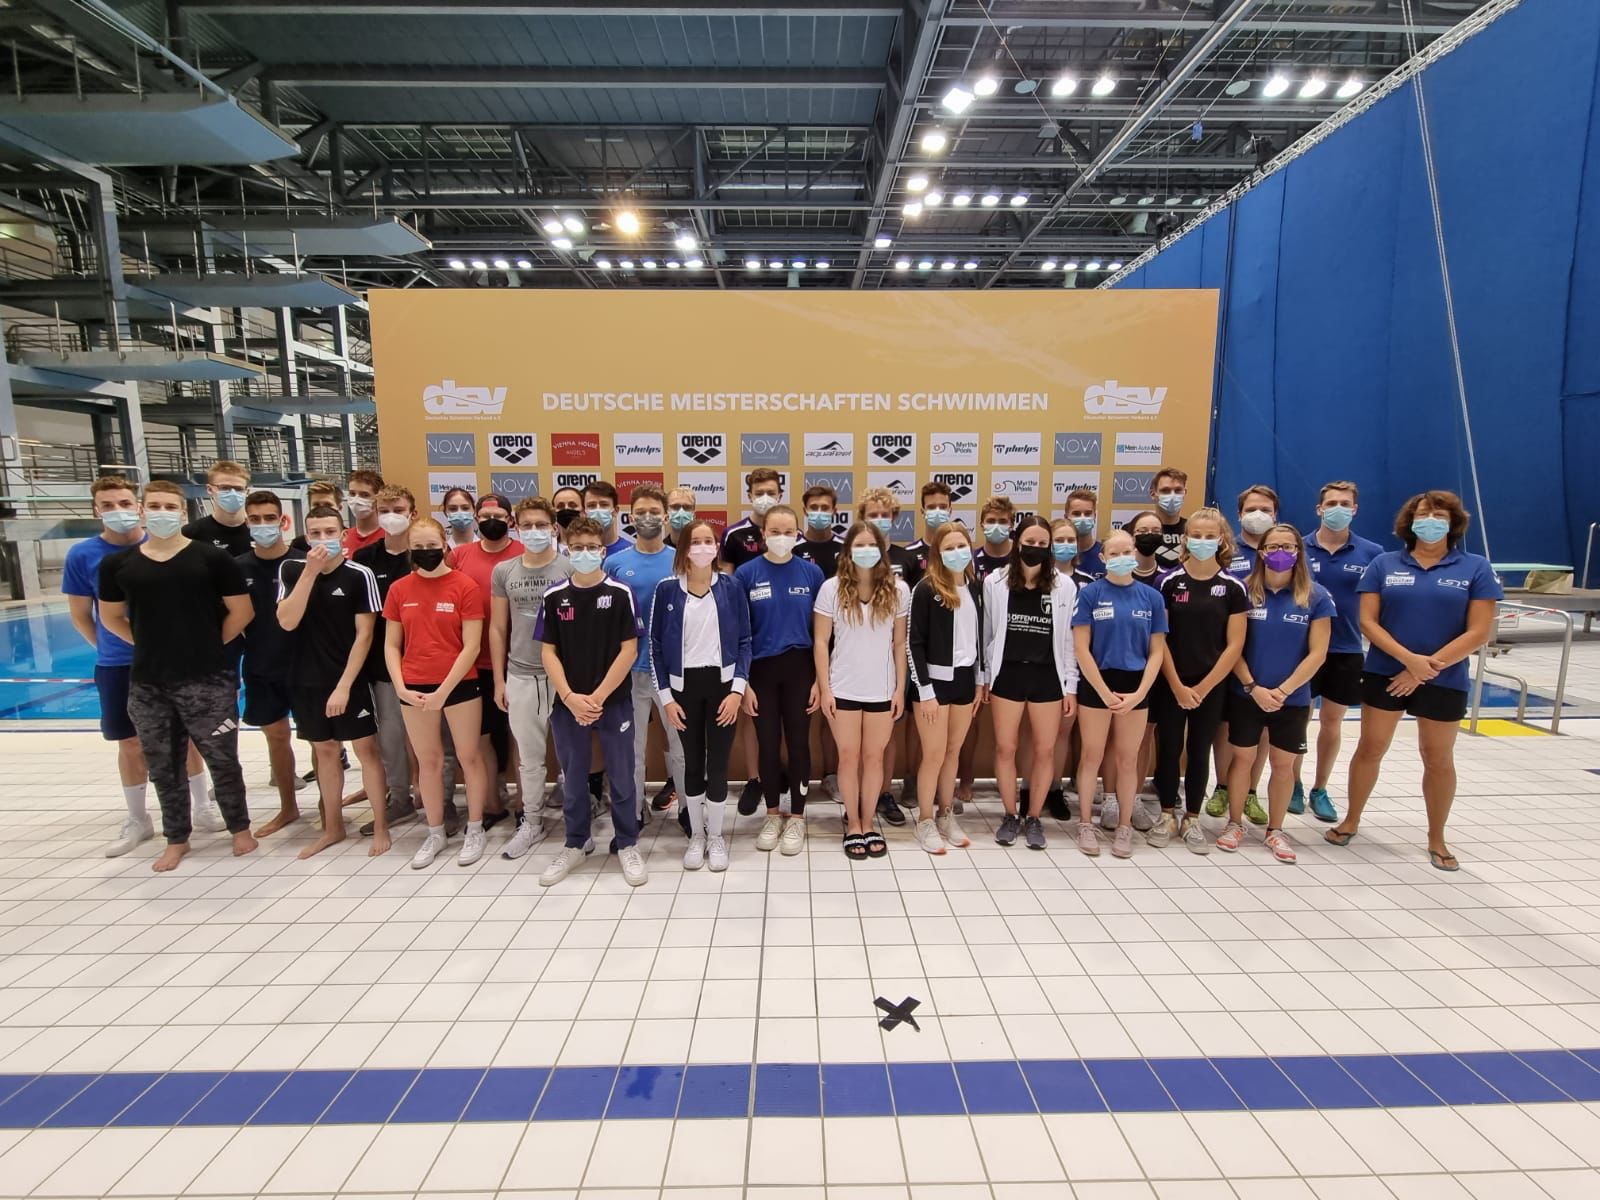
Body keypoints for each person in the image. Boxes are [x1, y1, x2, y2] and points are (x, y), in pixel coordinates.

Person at [1326, 491, 1501, 871]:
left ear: (1453, 522)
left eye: (1439, 515)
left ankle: (1437, 836)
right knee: (1371, 747)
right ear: (1410, 520)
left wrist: (1426, 668)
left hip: (1445, 676)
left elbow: (1479, 631)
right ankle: (1351, 819)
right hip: (1386, 672)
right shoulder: (1385, 564)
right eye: (1424, 514)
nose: (1431, 521)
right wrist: (1408, 661)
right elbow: (1368, 622)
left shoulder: (1474, 567)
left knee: (1437, 757)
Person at [97, 480, 255, 872]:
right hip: (149, 681)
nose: (162, 513)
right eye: (154, 506)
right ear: (142, 510)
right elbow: (111, 616)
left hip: (208, 679)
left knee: (222, 758)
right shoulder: (119, 565)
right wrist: (147, 643)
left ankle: (239, 828)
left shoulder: (211, 559)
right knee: (163, 764)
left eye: (170, 507)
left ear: (183, 513)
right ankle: (177, 838)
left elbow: (242, 611)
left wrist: (208, 645)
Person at [535, 518, 648, 887]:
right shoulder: (554, 596)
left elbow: (629, 650)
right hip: (568, 704)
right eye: (577, 547)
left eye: (591, 547)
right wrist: (570, 697)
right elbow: (548, 652)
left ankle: (627, 842)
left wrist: (597, 697)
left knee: (622, 775)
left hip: (612, 702)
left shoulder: (620, 593)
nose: (584, 553)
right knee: (573, 778)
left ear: (602, 551)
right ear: (568, 550)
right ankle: (576, 842)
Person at [276, 505, 388, 858]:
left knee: (366, 751)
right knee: (324, 752)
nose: (323, 539)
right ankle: (333, 827)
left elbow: (365, 636)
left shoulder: (359, 575)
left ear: (343, 534)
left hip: (349, 680)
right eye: (315, 533)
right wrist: (310, 573)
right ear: (306, 536)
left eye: (329, 532)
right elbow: (287, 621)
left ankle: (381, 825)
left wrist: (344, 685)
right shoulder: (292, 570)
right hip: (306, 680)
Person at [1216, 524, 1333, 864]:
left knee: (1284, 765)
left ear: (1298, 551)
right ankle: (1234, 823)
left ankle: (1276, 830)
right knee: (1242, 759)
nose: (1280, 552)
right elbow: (1233, 647)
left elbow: (1317, 654)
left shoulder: (1315, 596)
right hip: (1247, 694)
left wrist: (1282, 691)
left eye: (1288, 546)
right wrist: (1253, 687)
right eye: (1273, 546)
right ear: (1261, 552)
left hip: (1291, 699)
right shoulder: (1244, 591)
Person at [381, 517, 492, 869]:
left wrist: (444, 691)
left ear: (444, 546)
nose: (426, 552)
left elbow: (472, 646)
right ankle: (435, 832)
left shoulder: (464, 586)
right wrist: (401, 686)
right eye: (419, 547)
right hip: (413, 686)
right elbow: (391, 645)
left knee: (468, 756)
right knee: (427, 761)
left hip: (459, 685)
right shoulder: (399, 589)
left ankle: (475, 828)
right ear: (409, 549)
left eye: (432, 546)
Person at [64, 476, 159, 856]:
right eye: (108, 505)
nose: (118, 511)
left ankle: (200, 806)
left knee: (184, 740)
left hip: (170, 661)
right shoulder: (83, 555)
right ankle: (138, 818)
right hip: (118, 663)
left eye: (124, 503)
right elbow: (81, 616)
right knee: (130, 741)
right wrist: (111, 645)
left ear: (138, 507)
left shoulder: (164, 546)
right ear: (96, 510)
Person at [651, 519, 752, 871]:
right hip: (683, 690)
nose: (703, 547)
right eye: (695, 541)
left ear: (717, 547)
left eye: (709, 541)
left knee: (718, 764)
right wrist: (666, 698)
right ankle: (697, 835)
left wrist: (737, 690)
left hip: (723, 688)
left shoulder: (732, 587)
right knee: (692, 764)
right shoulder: (667, 589)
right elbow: (656, 646)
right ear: (684, 548)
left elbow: (745, 641)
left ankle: (717, 836)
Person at [1151, 510, 1247, 853]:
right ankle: (1166, 814)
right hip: (1171, 681)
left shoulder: (1233, 587)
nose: (1202, 541)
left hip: (1211, 684)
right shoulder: (1167, 582)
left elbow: (1234, 645)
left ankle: (1192, 817)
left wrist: (1204, 688)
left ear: (1221, 540)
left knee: (1199, 749)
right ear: (1185, 539)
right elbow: (1159, 639)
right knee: (1169, 747)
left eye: (1210, 536)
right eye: (1196, 535)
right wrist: (1177, 686)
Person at [982, 514, 1079, 850]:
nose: (1035, 548)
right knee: (1005, 748)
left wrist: (1070, 685)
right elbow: (988, 632)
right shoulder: (995, 582)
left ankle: (1034, 816)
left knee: (1045, 749)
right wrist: (985, 676)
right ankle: (1011, 814)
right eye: (1029, 542)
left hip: (1047, 677)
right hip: (1007, 674)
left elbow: (1068, 640)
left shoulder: (1065, 586)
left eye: (1042, 543)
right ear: (1017, 542)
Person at [1070, 529, 1168, 859]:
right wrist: (1103, 691)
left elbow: (1157, 651)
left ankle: (1124, 826)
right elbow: (1081, 648)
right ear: (1103, 557)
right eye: (1114, 553)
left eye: (1127, 552)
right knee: (1092, 755)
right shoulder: (1090, 594)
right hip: (1097, 682)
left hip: (1136, 685)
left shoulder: (1151, 597)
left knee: (1128, 759)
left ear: (1136, 554)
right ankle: (1086, 823)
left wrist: (1140, 693)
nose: (1122, 558)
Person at [814, 521, 909, 861]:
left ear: (882, 551)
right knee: (848, 757)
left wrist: (900, 689)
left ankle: (869, 823)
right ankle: (852, 823)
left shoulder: (899, 590)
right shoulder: (831, 588)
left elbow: (899, 644)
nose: (866, 551)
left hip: (882, 690)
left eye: (872, 546)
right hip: (843, 688)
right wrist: (825, 689)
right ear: (848, 551)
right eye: (859, 545)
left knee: (874, 758)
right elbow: (821, 642)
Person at [736, 504, 822, 855]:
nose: (782, 538)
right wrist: (743, 684)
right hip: (760, 671)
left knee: (799, 743)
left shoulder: (811, 574)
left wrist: (819, 681)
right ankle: (772, 814)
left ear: (798, 534)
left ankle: (797, 817)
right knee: (767, 744)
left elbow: (822, 635)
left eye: (788, 532)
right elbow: (738, 634)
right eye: (775, 532)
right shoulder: (745, 574)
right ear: (763, 534)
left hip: (801, 668)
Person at [1295, 481, 1383, 822]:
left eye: (1344, 503)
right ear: (1319, 509)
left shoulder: (1372, 553)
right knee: (1297, 721)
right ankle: (1293, 783)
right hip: (1301, 648)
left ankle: (1320, 788)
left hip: (1345, 649)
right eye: (1331, 503)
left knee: (1331, 723)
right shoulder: (1298, 548)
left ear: (1355, 509)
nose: (1337, 509)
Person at [491, 497, 574, 860]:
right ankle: (532, 822)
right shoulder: (504, 571)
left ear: (554, 528)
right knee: (529, 758)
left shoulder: (569, 567)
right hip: (520, 674)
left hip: (564, 677)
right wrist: (499, 680)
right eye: (527, 525)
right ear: (516, 527)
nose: (535, 531)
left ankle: (576, 823)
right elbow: (498, 628)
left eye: (541, 525)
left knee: (572, 757)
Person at [605, 485, 687, 816]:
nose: (647, 518)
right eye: (640, 512)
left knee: (681, 746)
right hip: (629, 670)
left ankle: (688, 812)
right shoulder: (614, 563)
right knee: (632, 747)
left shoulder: (680, 561)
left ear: (666, 517)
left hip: (673, 671)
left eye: (654, 512)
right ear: (630, 517)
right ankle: (634, 814)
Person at [1205, 483, 1282, 823]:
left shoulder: (1282, 552)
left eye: (1265, 509)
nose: (1258, 515)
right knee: (1224, 726)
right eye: (1251, 509)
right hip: (1227, 653)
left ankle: (1250, 792)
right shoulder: (1227, 552)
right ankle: (1223, 787)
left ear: (1276, 515)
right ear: (1239, 514)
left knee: (1261, 729)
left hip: (1266, 654)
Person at [353, 485, 424, 837]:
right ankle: (399, 798)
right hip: (383, 664)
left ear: (412, 513)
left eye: (398, 509)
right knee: (391, 737)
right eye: (385, 510)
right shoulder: (364, 558)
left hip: (428, 661)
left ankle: (434, 797)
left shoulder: (426, 554)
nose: (391, 516)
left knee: (433, 738)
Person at [907, 522, 983, 854]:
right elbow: (913, 643)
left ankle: (945, 813)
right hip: (933, 685)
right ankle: (924, 820)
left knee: (953, 752)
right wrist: (925, 691)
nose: (956, 552)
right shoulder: (925, 589)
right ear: (937, 553)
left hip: (965, 681)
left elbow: (980, 637)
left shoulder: (976, 587)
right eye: (948, 548)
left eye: (961, 546)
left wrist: (979, 680)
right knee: (934, 754)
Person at [447, 492, 523, 821]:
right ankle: (492, 804)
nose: (492, 521)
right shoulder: (458, 556)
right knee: (481, 737)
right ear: (477, 520)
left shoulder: (524, 553)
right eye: (485, 516)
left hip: (520, 661)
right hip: (473, 664)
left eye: (499, 516)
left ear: (510, 520)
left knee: (520, 738)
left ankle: (524, 806)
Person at [237, 491, 305, 838]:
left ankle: (330, 808)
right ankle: (288, 806)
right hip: (262, 665)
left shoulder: (304, 563)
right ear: (247, 522)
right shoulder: (238, 568)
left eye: (269, 518)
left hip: (306, 665)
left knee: (324, 742)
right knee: (277, 738)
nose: (262, 525)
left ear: (283, 521)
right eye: (255, 519)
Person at [857, 486, 923, 828]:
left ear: (895, 518)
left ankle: (884, 792)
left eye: (885, 515)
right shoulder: (849, 557)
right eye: (873, 515)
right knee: (856, 741)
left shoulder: (907, 559)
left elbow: (913, 616)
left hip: (894, 661)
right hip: (854, 663)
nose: (879, 520)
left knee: (889, 734)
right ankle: (857, 797)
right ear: (861, 518)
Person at [183, 459, 254, 557]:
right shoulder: (191, 534)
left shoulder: (259, 531)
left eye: (238, 489)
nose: (232, 493)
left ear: (247, 491)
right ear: (209, 489)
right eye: (225, 488)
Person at [722, 467, 783, 569]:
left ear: (779, 497)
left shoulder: (791, 534)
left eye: (771, 493)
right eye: (759, 494)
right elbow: (726, 576)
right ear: (750, 497)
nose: (765, 498)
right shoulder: (733, 534)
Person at [903, 480, 954, 571]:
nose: (937, 511)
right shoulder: (908, 553)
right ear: (923, 512)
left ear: (950, 511)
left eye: (943, 507)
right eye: (931, 507)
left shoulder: (960, 552)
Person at [795, 483, 843, 577]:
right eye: (814, 507)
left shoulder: (846, 547)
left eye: (825, 508)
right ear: (805, 511)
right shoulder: (793, 548)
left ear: (834, 511)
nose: (819, 512)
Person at [1149, 467, 1189, 572]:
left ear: (1185, 493)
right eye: (1165, 491)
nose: (1172, 496)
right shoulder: (1135, 529)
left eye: (1178, 490)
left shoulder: (1193, 530)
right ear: (1153, 494)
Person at [342, 469, 387, 555]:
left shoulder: (389, 537)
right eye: (352, 494)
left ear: (378, 499)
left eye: (365, 495)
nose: (356, 500)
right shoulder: (343, 537)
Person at [1065, 488, 1106, 578]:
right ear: (1066, 517)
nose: (1082, 518)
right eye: (1076, 514)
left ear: (1094, 516)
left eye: (1087, 514)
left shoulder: (1106, 554)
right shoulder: (1058, 555)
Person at [290, 481, 342, 552]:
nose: (322, 509)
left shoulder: (352, 539)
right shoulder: (299, 545)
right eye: (316, 505)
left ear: (339, 507)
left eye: (328, 505)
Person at [582, 479, 632, 551]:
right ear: (584, 512)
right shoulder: (577, 551)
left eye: (604, 505)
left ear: (616, 510)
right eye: (591, 505)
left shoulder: (629, 550)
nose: (598, 510)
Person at [975, 495, 1015, 579]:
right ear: (982, 525)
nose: (996, 526)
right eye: (991, 521)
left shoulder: (1021, 558)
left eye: (1002, 522)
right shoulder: (972, 560)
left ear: (1011, 526)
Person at [1126, 510, 1168, 584]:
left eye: (1156, 531)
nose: (1150, 534)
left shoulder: (1167, 577)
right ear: (1132, 537)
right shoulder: (1120, 575)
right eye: (1143, 531)